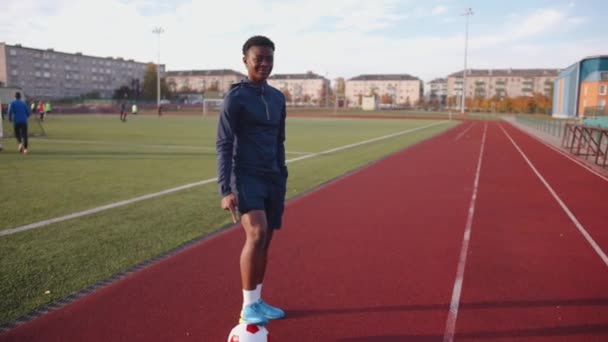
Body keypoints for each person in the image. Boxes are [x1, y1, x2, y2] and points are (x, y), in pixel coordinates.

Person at [216, 35, 288, 326]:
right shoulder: (236, 97)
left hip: (274, 176)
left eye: (269, 58)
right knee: (256, 233)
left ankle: (257, 299)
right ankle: (247, 307)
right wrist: (225, 189)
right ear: (245, 60)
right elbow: (223, 143)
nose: (265, 63)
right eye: (258, 58)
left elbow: (280, 139)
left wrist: (281, 171)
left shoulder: (277, 97)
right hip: (245, 176)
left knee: (266, 239)